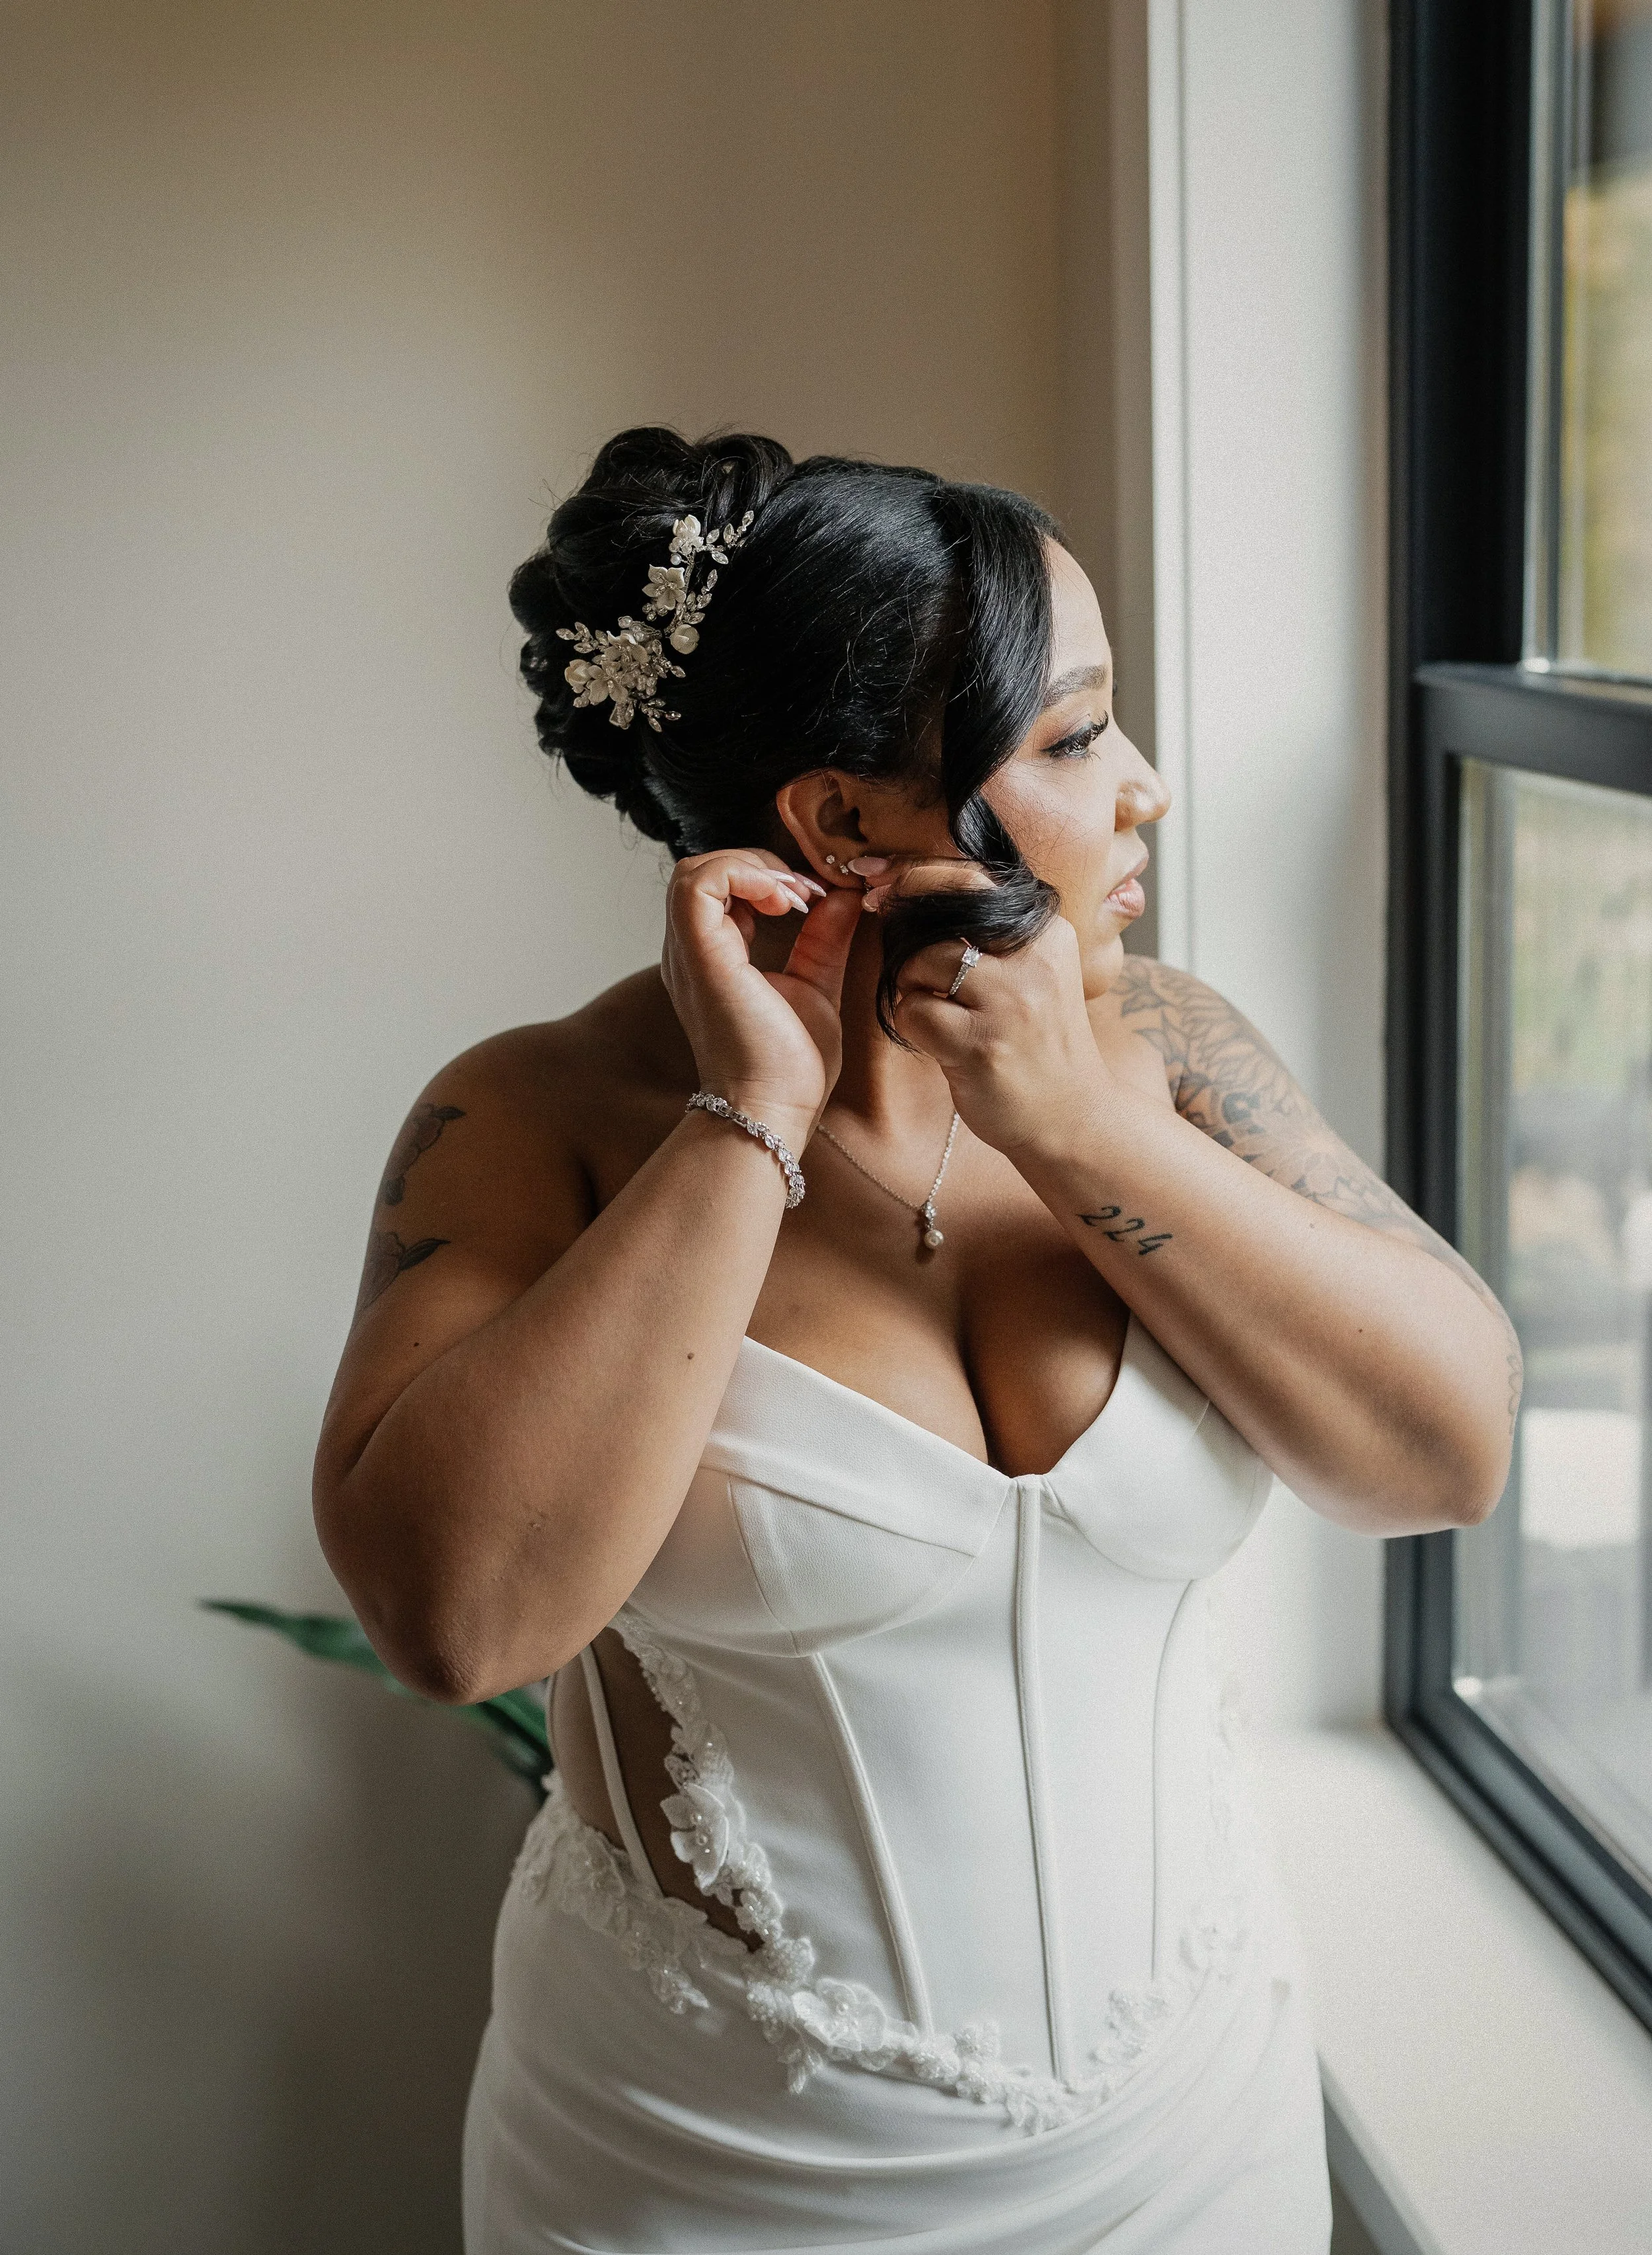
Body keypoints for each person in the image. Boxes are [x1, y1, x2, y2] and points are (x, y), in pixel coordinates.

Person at [313, 430, 1517, 2253]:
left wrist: (1075, 1125)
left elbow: (1444, 1453)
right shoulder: (531, 1118)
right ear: (842, 822)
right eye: (1072, 738)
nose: (1146, 791)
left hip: (1194, 2131)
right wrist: (752, 1116)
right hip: (715, 2171)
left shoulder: (1168, 1050)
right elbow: (457, 1618)